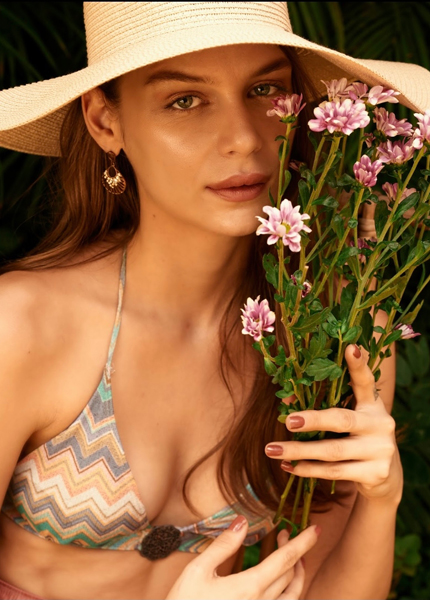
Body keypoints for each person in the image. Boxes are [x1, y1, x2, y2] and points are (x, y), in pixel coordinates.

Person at [0, 3, 429, 599]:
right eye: (185, 101)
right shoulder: (22, 325)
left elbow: (318, 589)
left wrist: (381, 498)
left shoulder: (334, 330)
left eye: (264, 90)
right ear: (105, 122)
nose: (243, 138)